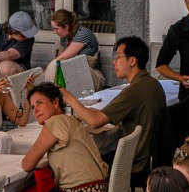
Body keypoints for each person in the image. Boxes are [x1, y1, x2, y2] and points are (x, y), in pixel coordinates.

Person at [64, 36, 168, 169]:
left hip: (133, 162)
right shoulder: (152, 83)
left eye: (118, 57)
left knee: (79, 160)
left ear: (132, 61)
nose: (114, 62)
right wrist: (83, 110)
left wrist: (69, 98)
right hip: (149, 158)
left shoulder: (134, 90)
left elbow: (95, 122)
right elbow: (106, 114)